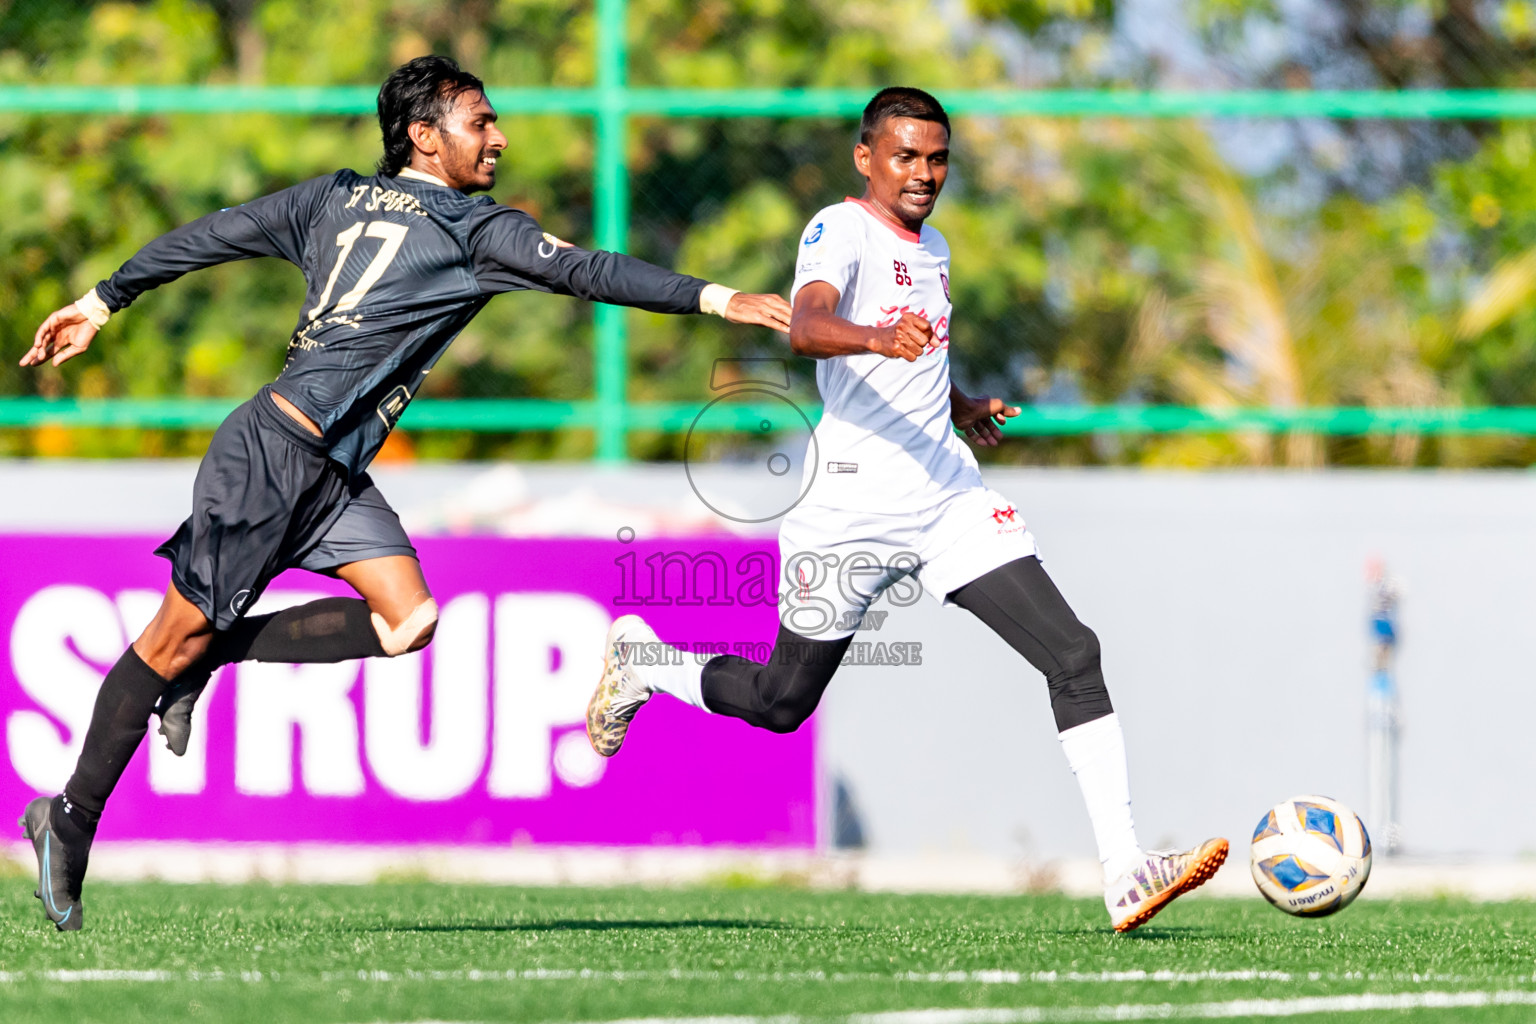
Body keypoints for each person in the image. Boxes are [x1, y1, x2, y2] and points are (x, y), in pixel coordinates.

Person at [16, 54, 791, 932]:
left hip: (333, 472)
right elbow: (590, 271)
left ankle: (220, 653)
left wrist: (104, 298)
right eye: (480, 122)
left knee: (408, 622)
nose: (498, 137)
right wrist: (717, 298)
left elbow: (213, 234)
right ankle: (68, 820)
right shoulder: (472, 230)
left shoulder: (332, 197)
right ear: (425, 137)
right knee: (165, 641)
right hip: (273, 455)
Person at [586, 87, 1227, 932]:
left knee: (1074, 652)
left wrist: (958, 403)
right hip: (848, 508)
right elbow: (809, 329)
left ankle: (1124, 871)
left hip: (944, 497)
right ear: (866, 158)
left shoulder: (938, 247)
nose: (924, 173)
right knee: (781, 705)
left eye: (937, 158)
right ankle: (644, 661)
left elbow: (914, 359)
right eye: (906, 156)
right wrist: (880, 338)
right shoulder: (839, 229)